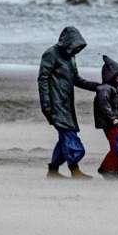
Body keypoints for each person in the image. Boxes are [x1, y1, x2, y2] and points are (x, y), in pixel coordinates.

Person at [38, 26, 99, 179]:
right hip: (55, 104)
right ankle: (74, 169)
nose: (76, 50)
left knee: (64, 138)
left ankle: (53, 170)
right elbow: (43, 79)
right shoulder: (50, 54)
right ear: (68, 41)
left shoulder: (71, 57)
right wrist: (46, 105)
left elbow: (76, 80)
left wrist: (98, 87)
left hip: (67, 105)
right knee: (70, 138)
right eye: (75, 46)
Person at [94, 55, 118, 180]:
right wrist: (113, 118)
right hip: (111, 124)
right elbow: (104, 105)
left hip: (116, 123)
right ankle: (106, 169)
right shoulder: (105, 89)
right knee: (117, 148)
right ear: (112, 75)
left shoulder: (110, 88)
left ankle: (116, 172)